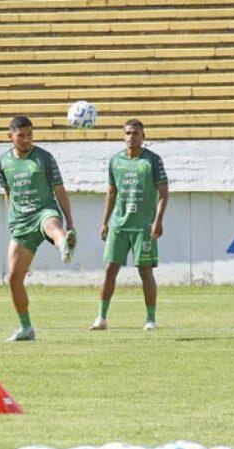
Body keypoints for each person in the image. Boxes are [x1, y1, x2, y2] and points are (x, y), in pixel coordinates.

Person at [0, 116, 77, 341]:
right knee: (13, 279)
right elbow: (7, 191)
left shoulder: (44, 157)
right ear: (10, 136)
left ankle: (64, 245)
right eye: (21, 135)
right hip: (21, 222)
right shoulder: (3, 161)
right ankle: (26, 328)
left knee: (51, 225)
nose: (26, 139)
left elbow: (59, 190)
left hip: (44, 210)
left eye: (30, 135)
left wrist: (69, 221)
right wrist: (10, 217)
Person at [90, 119, 168, 331]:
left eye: (135, 133)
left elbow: (163, 192)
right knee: (110, 269)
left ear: (143, 136)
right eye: (128, 133)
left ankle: (150, 319)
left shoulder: (152, 161)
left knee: (145, 271)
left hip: (143, 226)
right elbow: (111, 192)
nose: (131, 137)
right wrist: (105, 222)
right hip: (119, 225)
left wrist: (157, 221)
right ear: (123, 136)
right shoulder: (115, 161)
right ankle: (101, 318)